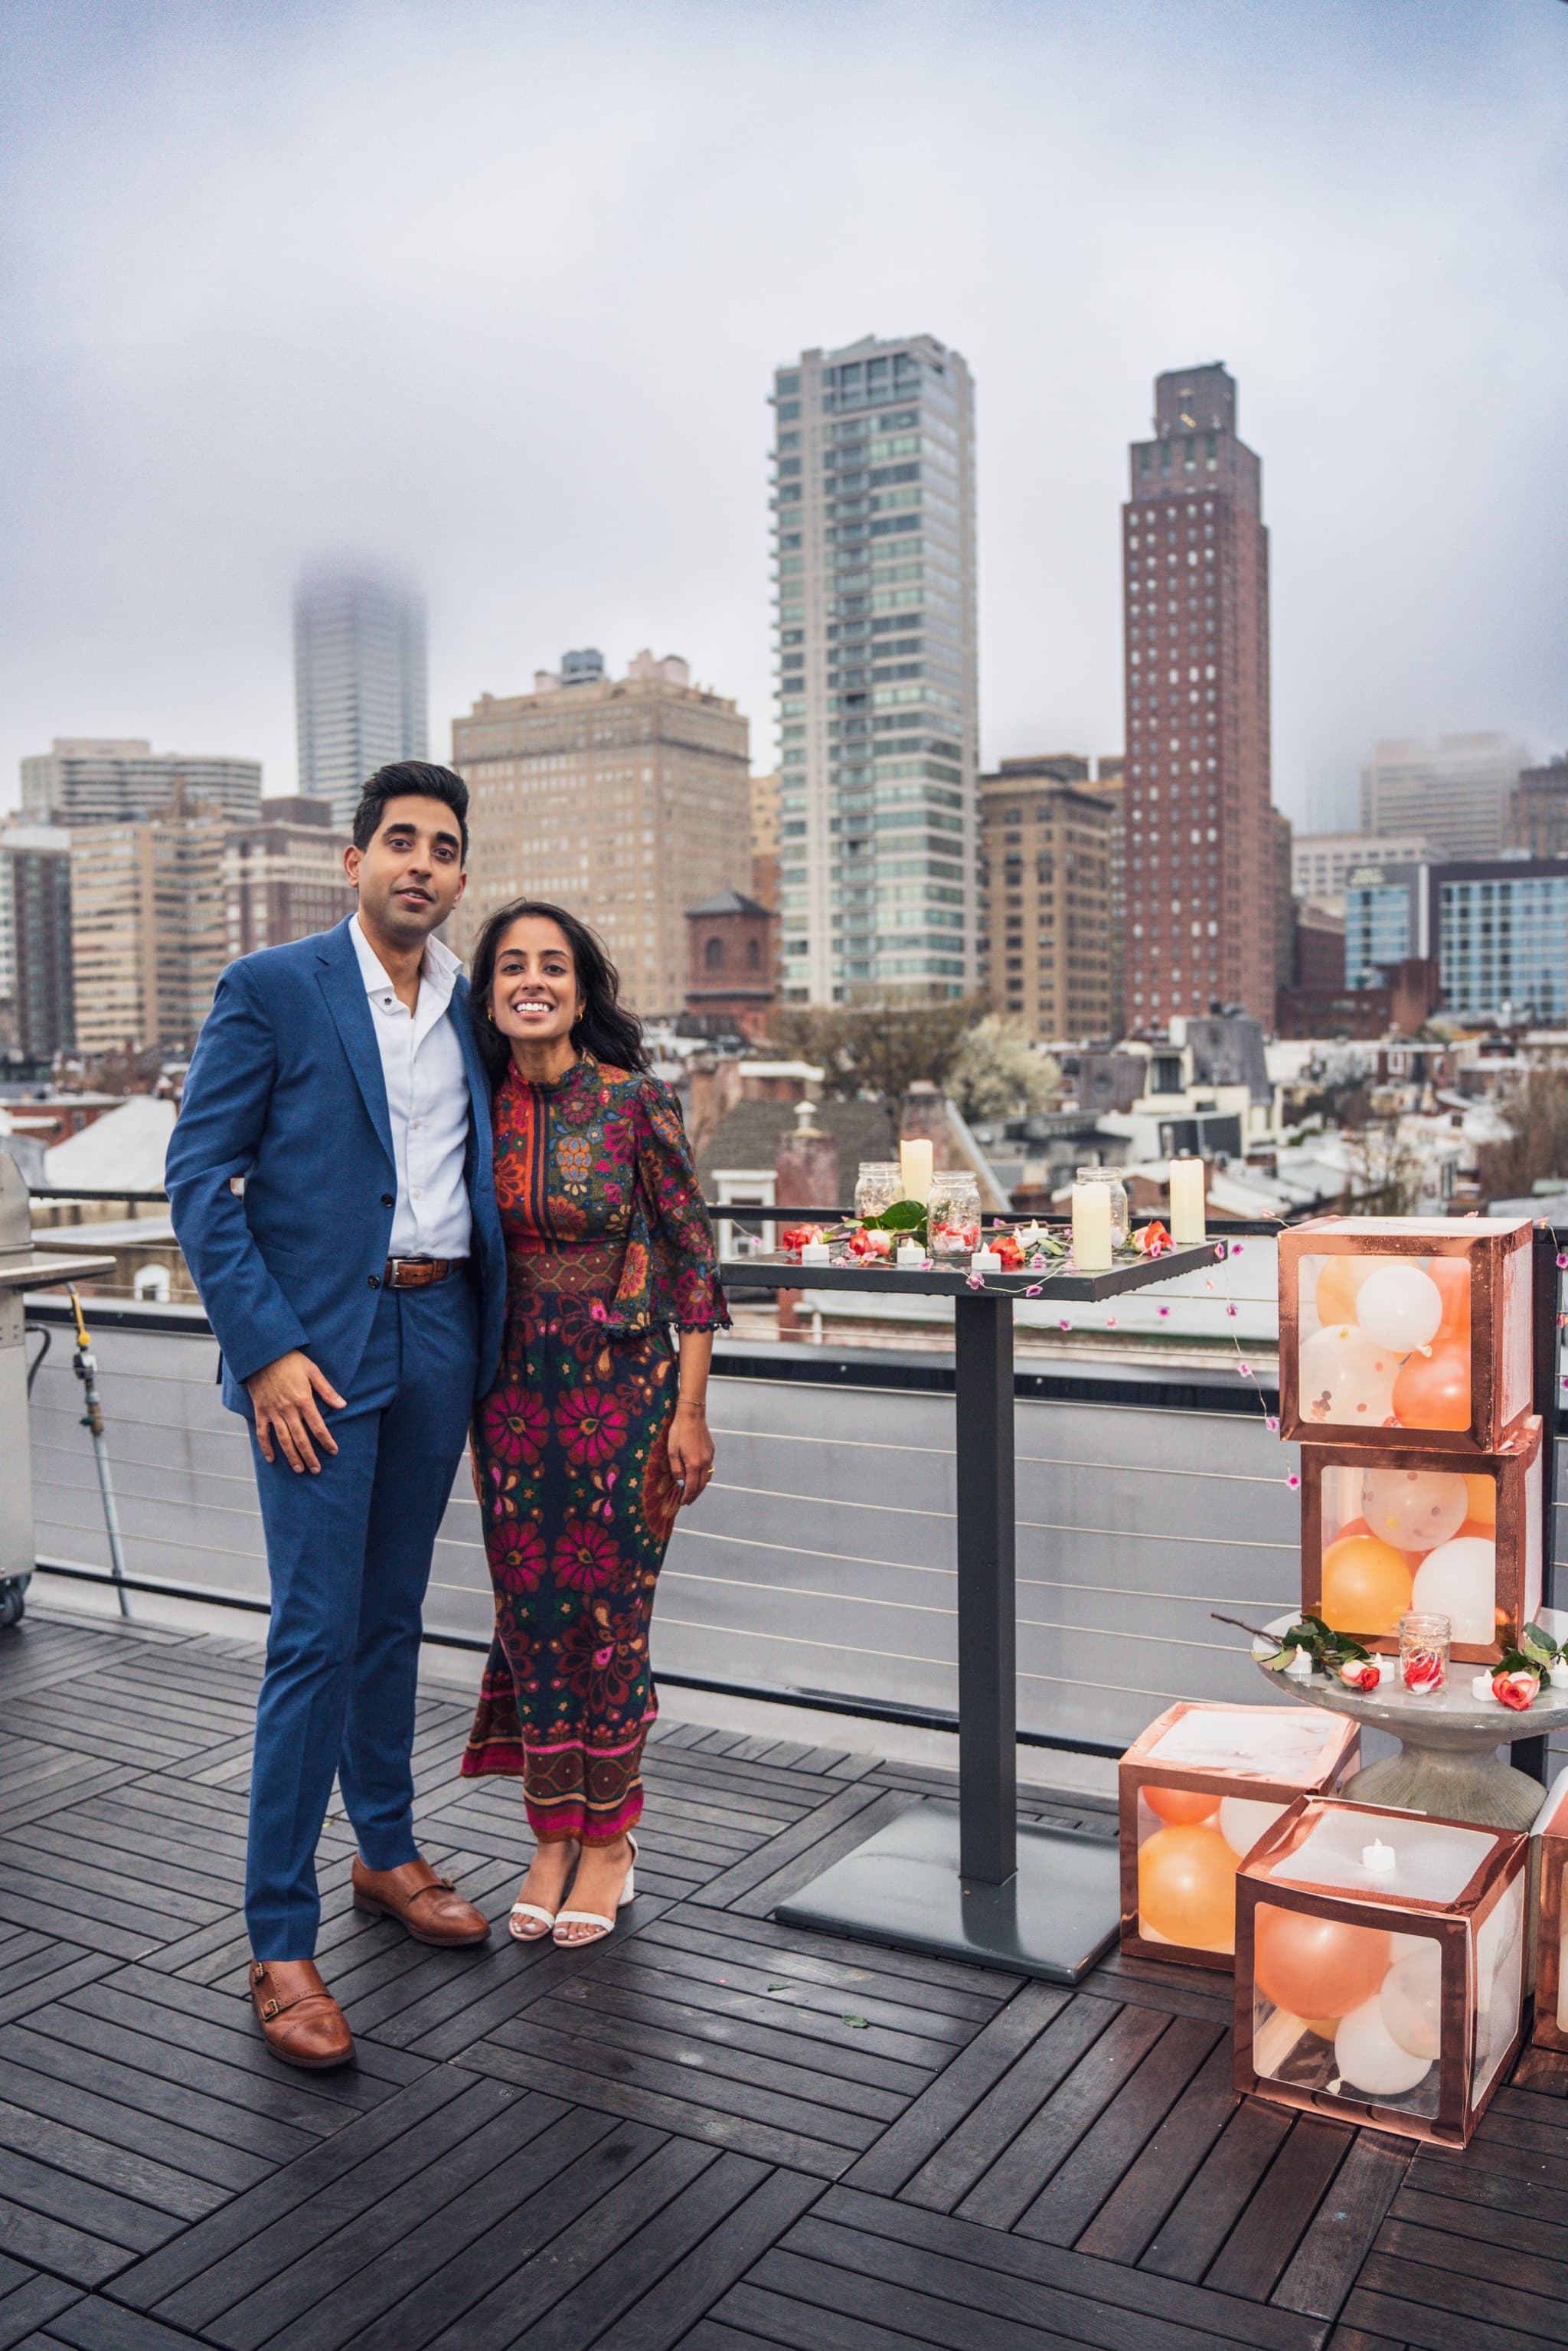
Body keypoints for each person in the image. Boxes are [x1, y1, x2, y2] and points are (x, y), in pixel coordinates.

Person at [167, 763, 506, 2068]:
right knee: (311, 1634)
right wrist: (264, 1354)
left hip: (439, 1333)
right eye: (400, 841)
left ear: (461, 876)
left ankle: (388, 1848)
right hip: (312, 1353)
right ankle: (277, 1936)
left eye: (444, 847)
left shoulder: (472, 1005)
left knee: (390, 1617)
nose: (421, 862)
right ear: (354, 861)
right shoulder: (273, 989)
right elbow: (201, 1179)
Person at [459, 899, 725, 1945]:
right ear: (489, 990)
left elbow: (696, 1262)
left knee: (610, 1619)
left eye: (554, 965)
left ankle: (610, 1840)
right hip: (511, 1398)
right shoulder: (474, 1106)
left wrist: (692, 1411)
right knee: (530, 1617)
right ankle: (551, 1833)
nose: (534, 979)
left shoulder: (633, 1102)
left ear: (581, 987)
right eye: (513, 965)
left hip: (627, 1395)